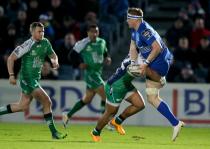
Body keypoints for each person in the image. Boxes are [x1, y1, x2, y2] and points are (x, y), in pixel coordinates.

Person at [0, 22, 67, 139]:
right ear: (32, 32)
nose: (42, 34)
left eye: (43, 31)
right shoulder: (27, 45)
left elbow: (53, 55)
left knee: (23, 106)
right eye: (39, 32)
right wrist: (11, 75)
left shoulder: (45, 42)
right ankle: (54, 133)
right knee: (47, 101)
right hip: (27, 79)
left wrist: (55, 61)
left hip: (35, 79)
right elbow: (11, 58)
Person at [127, 7, 184, 141]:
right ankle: (176, 123)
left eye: (129, 18)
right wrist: (133, 61)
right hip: (155, 63)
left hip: (161, 61)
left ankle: (161, 78)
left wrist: (144, 64)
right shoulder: (134, 31)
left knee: (137, 70)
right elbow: (132, 48)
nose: (127, 20)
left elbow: (157, 47)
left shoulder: (144, 30)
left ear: (135, 20)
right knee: (152, 98)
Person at [62, 24, 112, 127]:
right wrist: (78, 64)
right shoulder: (83, 43)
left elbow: (105, 52)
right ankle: (105, 122)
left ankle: (67, 115)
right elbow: (71, 56)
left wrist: (107, 58)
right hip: (90, 74)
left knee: (87, 99)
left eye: (96, 32)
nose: (94, 34)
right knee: (106, 95)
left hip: (98, 73)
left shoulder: (102, 41)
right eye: (92, 32)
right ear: (87, 33)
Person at [90, 55, 147, 142]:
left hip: (125, 84)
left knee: (140, 104)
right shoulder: (138, 57)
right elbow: (132, 70)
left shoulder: (140, 54)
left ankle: (117, 121)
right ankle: (95, 132)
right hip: (115, 85)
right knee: (110, 112)